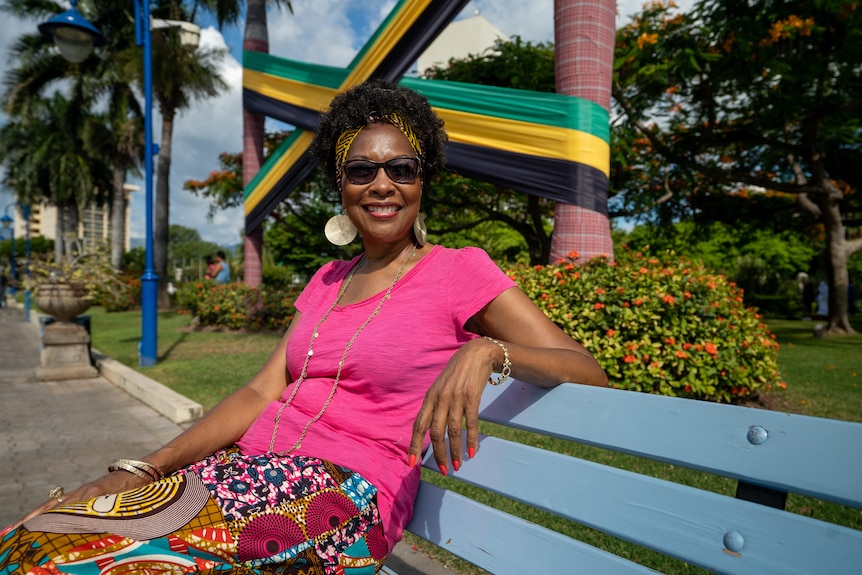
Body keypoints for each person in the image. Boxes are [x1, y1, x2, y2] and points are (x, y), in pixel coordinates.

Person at [0, 80, 608, 574]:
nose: (382, 184)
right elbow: (261, 392)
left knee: (80, 564)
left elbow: (590, 372)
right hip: (249, 471)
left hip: (345, 497)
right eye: (361, 171)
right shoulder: (326, 280)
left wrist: (489, 353)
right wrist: (143, 467)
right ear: (339, 185)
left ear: (424, 180)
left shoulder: (458, 271)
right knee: (34, 538)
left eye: (402, 167)